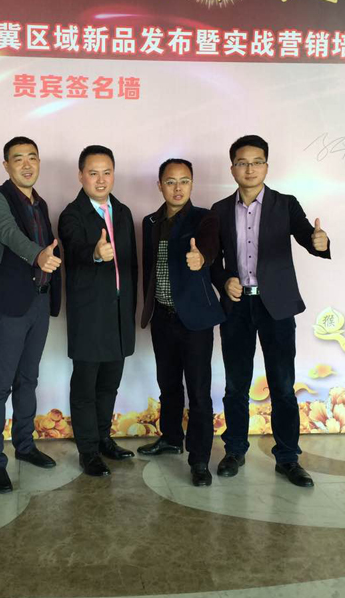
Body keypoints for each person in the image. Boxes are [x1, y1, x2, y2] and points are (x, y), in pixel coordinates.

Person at [211, 135, 330, 487]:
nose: (250, 169)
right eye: (242, 163)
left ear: (266, 165)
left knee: (282, 385)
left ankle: (288, 458)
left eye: (257, 162)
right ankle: (235, 450)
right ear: (232, 168)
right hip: (236, 307)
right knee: (236, 385)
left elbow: (308, 236)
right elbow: (211, 261)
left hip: (275, 306)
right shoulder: (219, 210)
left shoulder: (285, 204)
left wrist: (319, 242)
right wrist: (224, 280)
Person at [0, 137, 62, 494]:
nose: (27, 164)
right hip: (10, 304)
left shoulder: (41, 203)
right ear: (6, 165)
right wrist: (38, 256)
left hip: (39, 303)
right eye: (18, 159)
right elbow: (8, 233)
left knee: (28, 380)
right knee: (0, 384)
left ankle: (25, 446)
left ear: (39, 162)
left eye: (32, 157)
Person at [138, 159, 224, 486]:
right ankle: (171, 438)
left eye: (184, 181)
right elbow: (148, 268)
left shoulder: (204, 218)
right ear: (160, 185)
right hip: (162, 316)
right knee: (169, 385)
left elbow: (210, 246)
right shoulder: (150, 222)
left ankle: (199, 459)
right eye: (171, 181)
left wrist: (201, 257)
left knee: (199, 391)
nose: (178, 188)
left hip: (195, 320)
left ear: (192, 184)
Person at [59, 145, 137, 476]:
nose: (101, 179)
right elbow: (75, 250)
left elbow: (132, 265)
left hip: (119, 314)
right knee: (85, 388)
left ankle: (104, 439)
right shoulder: (71, 215)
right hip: (90, 315)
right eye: (93, 173)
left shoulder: (123, 212)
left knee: (109, 384)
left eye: (107, 172)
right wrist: (94, 253)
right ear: (81, 176)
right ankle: (88, 450)